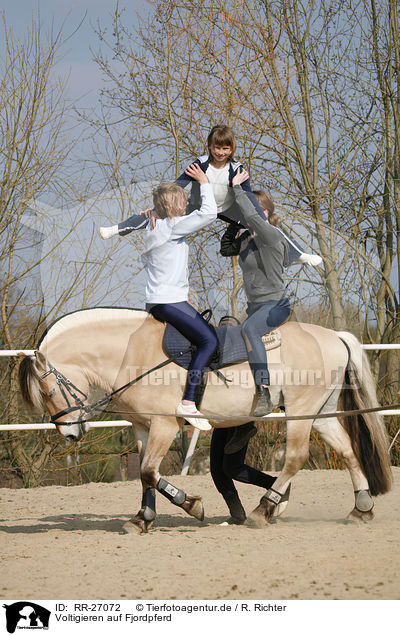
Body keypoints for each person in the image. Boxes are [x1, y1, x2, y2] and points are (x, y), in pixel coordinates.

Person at [100, 124, 322, 267]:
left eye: (226, 149)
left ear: (231, 149)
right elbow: (178, 186)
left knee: (267, 227)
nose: (220, 152)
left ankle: (299, 254)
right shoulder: (200, 163)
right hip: (199, 206)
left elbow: (248, 197)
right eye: (217, 147)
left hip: (228, 209)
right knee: (154, 215)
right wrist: (159, 206)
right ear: (210, 146)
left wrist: (259, 219)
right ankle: (116, 229)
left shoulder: (237, 168)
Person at [138, 163, 218, 431]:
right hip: (171, 301)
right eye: (182, 203)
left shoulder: (153, 227)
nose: (185, 206)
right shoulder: (174, 227)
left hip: (158, 301)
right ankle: (188, 402)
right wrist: (204, 181)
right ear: (172, 207)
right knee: (209, 339)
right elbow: (210, 212)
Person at [220, 169, 292, 423]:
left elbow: (253, 215)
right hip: (255, 306)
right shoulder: (248, 238)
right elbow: (226, 248)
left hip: (276, 305)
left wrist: (239, 189)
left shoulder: (273, 236)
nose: (253, 215)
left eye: (259, 211)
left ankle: (265, 392)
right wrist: (233, 225)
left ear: (269, 215)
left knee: (249, 330)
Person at [210, 315, 277, 524]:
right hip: (223, 416)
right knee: (217, 470)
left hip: (239, 415)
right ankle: (237, 513)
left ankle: (275, 485)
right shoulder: (216, 355)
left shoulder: (247, 356)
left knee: (231, 468)